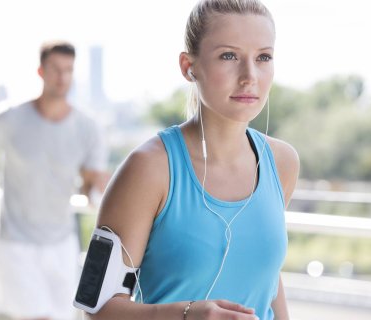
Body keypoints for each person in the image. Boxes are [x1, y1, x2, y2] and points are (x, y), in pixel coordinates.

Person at [83, 1, 299, 319]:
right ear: (189, 67)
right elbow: (95, 308)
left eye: (263, 57)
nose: (249, 76)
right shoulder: (148, 168)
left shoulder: (282, 162)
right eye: (229, 56)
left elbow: (267, 281)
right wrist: (186, 315)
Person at [0, 41, 109, 320]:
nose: (62, 77)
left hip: (62, 243)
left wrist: (98, 187)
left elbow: (90, 182)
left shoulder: (87, 128)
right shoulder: (11, 117)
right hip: (15, 242)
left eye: (68, 70)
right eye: (55, 69)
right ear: (41, 71)